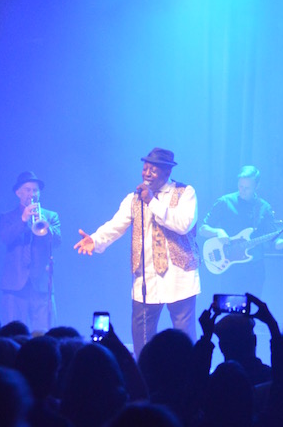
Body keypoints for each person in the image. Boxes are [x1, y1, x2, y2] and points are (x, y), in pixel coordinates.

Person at [74, 147, 200, 355]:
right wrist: (95, 240)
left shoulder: (185, 192)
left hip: (180, 276)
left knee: (184, 334)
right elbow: (116, 225)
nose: (147, 173)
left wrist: (152, 201)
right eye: (145, 168)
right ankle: (145, 374)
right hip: (146, 277)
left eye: (153, 169)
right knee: (142, 335)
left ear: (167, 173)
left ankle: (191, 377)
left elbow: (183, 224)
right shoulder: (134, 198)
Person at [198, 165, 282, 297]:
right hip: (230, 268)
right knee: (231, 311)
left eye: (247, 188)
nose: (242, 191)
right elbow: (203, 229)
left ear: (257, 186)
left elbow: (274, 242)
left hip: (255, 269)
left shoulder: (264, 207)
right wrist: (218, 232)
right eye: (240, 186)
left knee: (251, 311)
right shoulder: (225, 202)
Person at [0, 171, 61, 332]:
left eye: (35, 190)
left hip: (41, 285)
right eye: (27, 190)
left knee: (45, 336)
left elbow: (57, 241)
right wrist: (23, 220)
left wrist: (45, 225)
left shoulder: (50, 216)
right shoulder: (7, 216)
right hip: (14, 286)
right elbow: (5, 238)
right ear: (18, 193)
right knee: (13, 336)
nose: (31, 194)